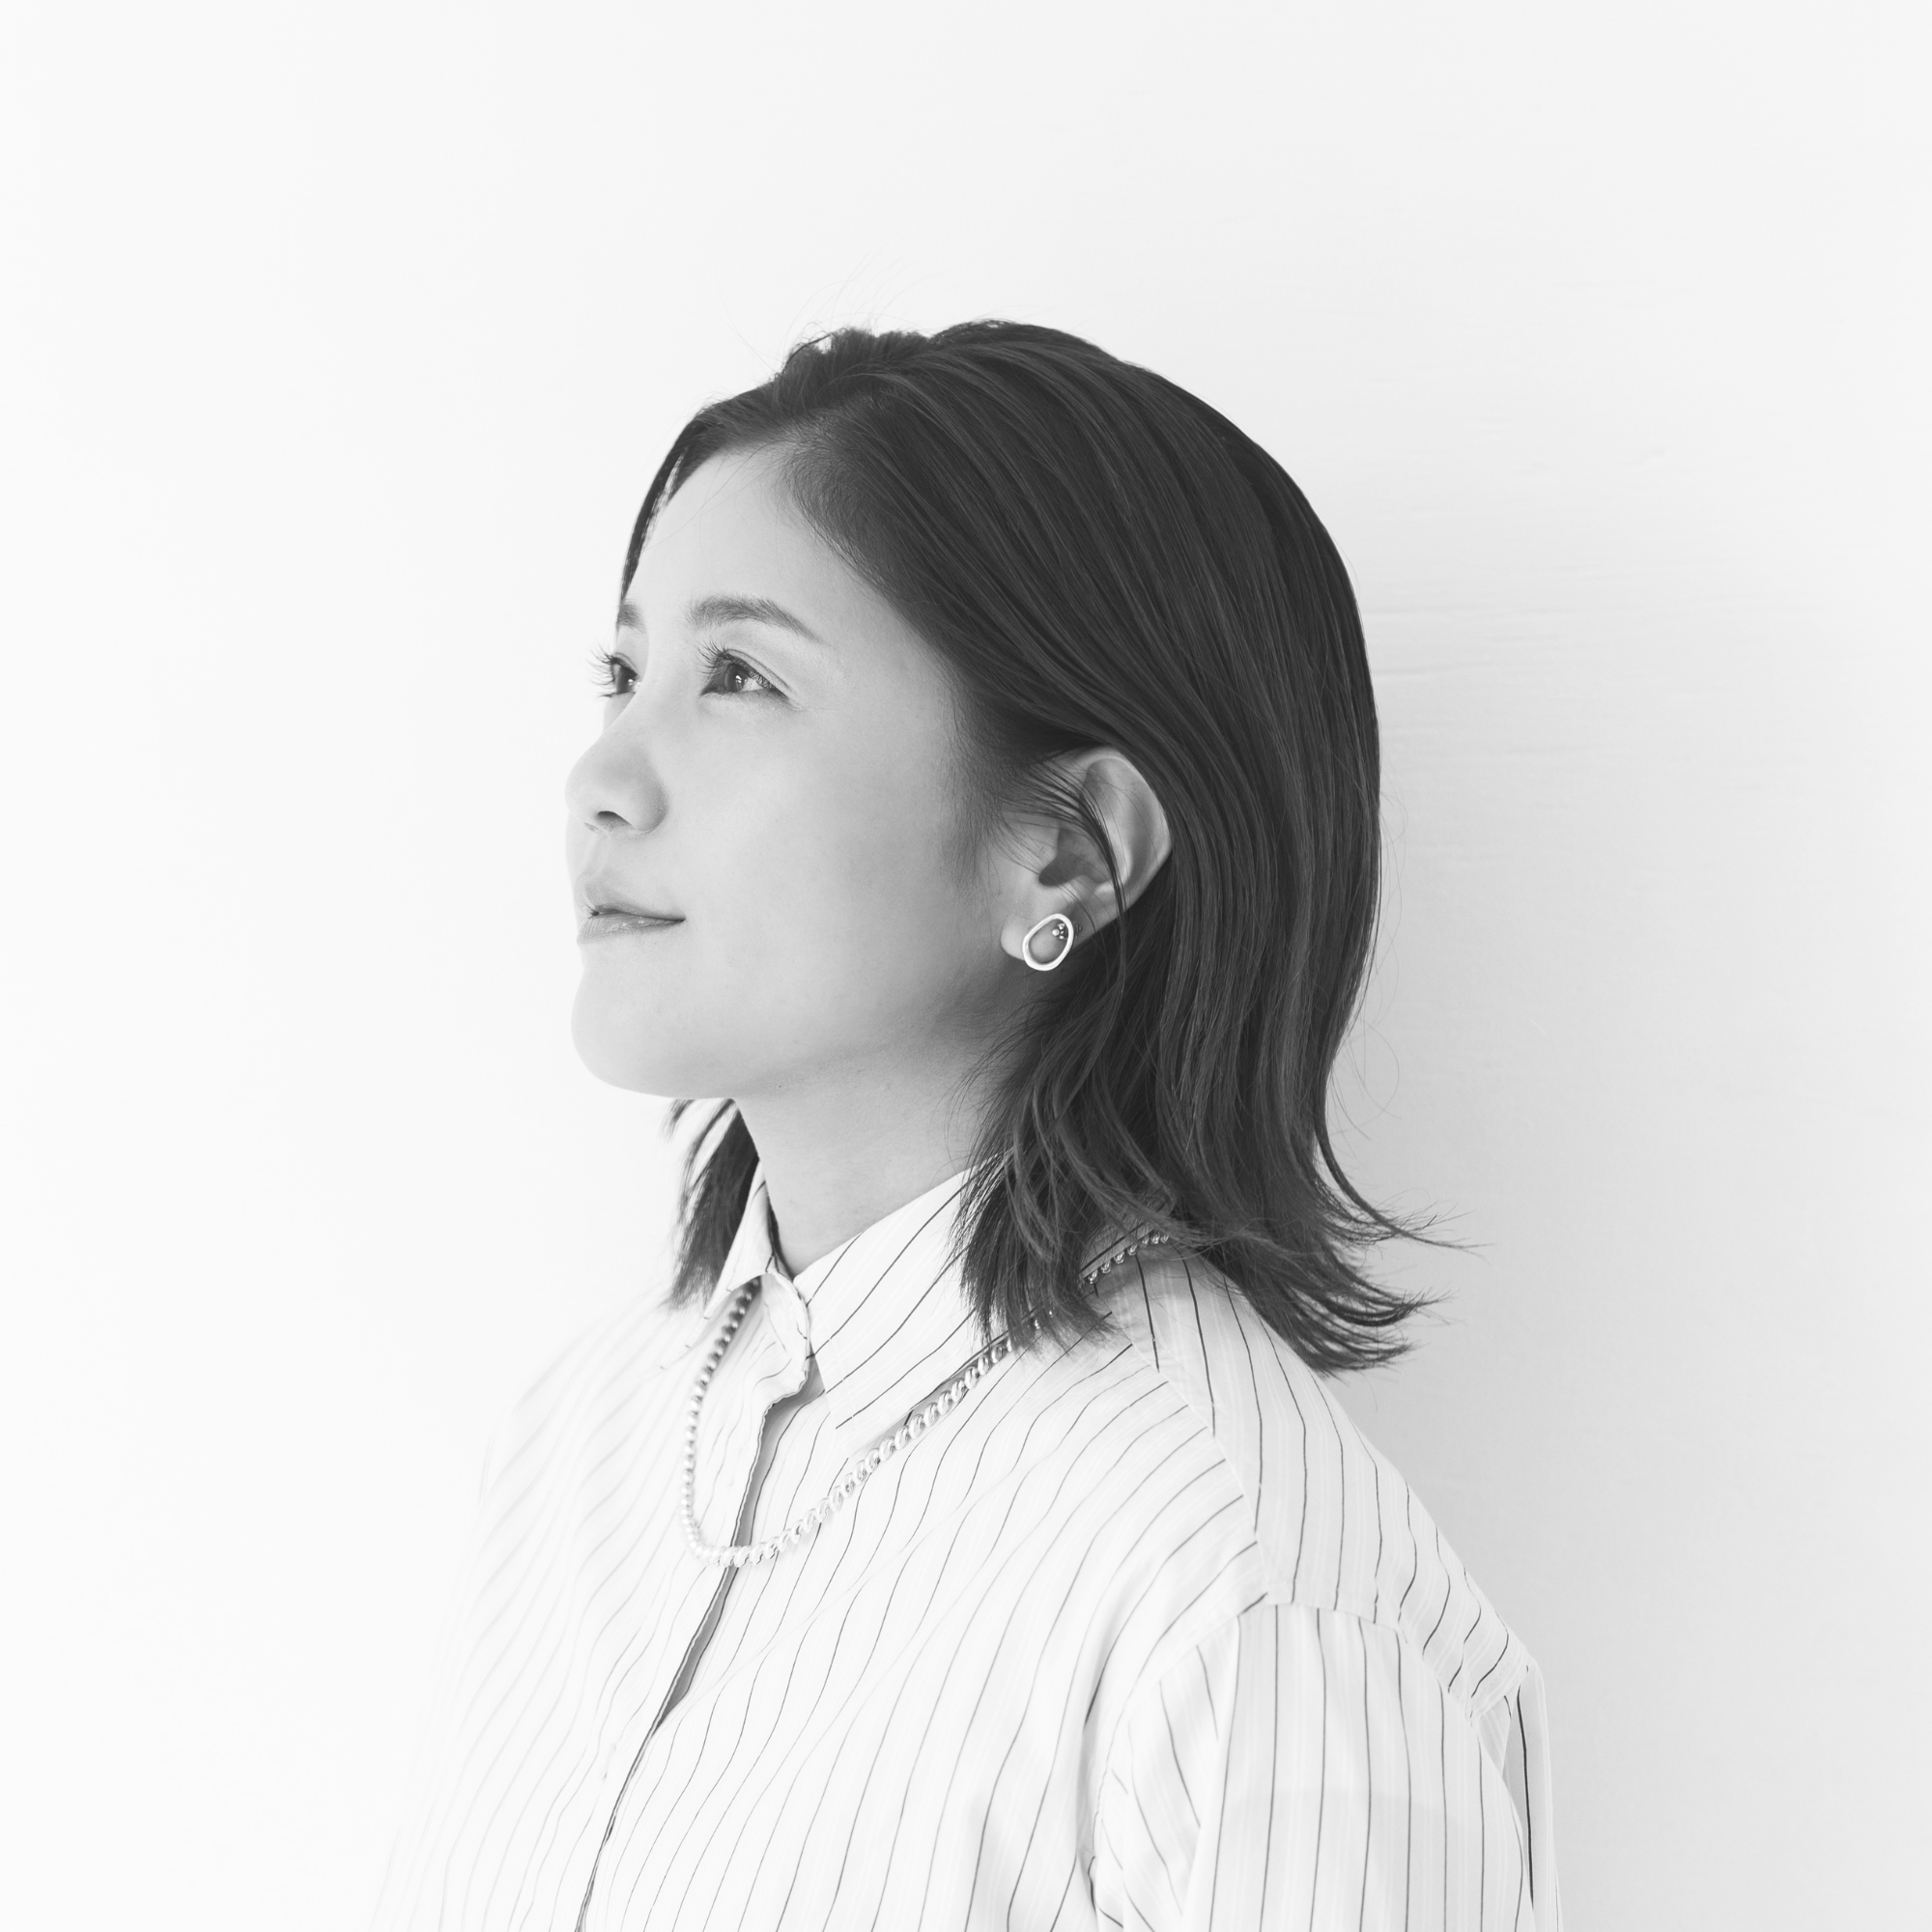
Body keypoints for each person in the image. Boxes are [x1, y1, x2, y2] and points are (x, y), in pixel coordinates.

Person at [371, 321, 1561, 1931]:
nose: (603, 775)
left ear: (1067, 849)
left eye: (740, 676)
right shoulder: (581, 1442)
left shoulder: (1255, 1597)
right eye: (623, 673)